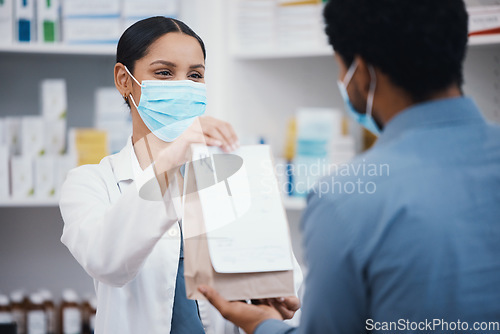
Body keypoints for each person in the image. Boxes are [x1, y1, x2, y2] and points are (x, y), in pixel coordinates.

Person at [198, 0, 500, 333]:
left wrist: (264, 325)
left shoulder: (346, 198)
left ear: (363, 71)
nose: (342, 78)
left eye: (340, 66)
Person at [59, 16, 303, 333]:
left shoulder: (230, 176)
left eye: (194, 75)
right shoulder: (90, 182)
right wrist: (173, 157)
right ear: (124, 79)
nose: (183, 86)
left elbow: (286, 277)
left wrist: (272, 297)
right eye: (164, 73)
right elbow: (106, 261)